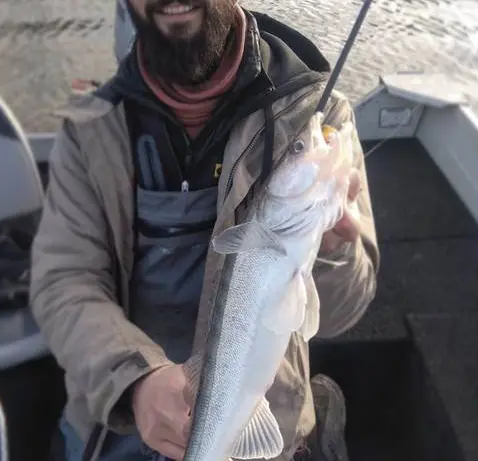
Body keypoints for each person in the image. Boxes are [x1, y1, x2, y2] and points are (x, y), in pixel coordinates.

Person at [30, 1, 380, 460]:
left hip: (261, 421)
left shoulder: (318, 114)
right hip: (116, 416)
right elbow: (62, 283)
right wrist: (135, 382)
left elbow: (342, 313)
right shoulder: (91, 130)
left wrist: (333, 254)